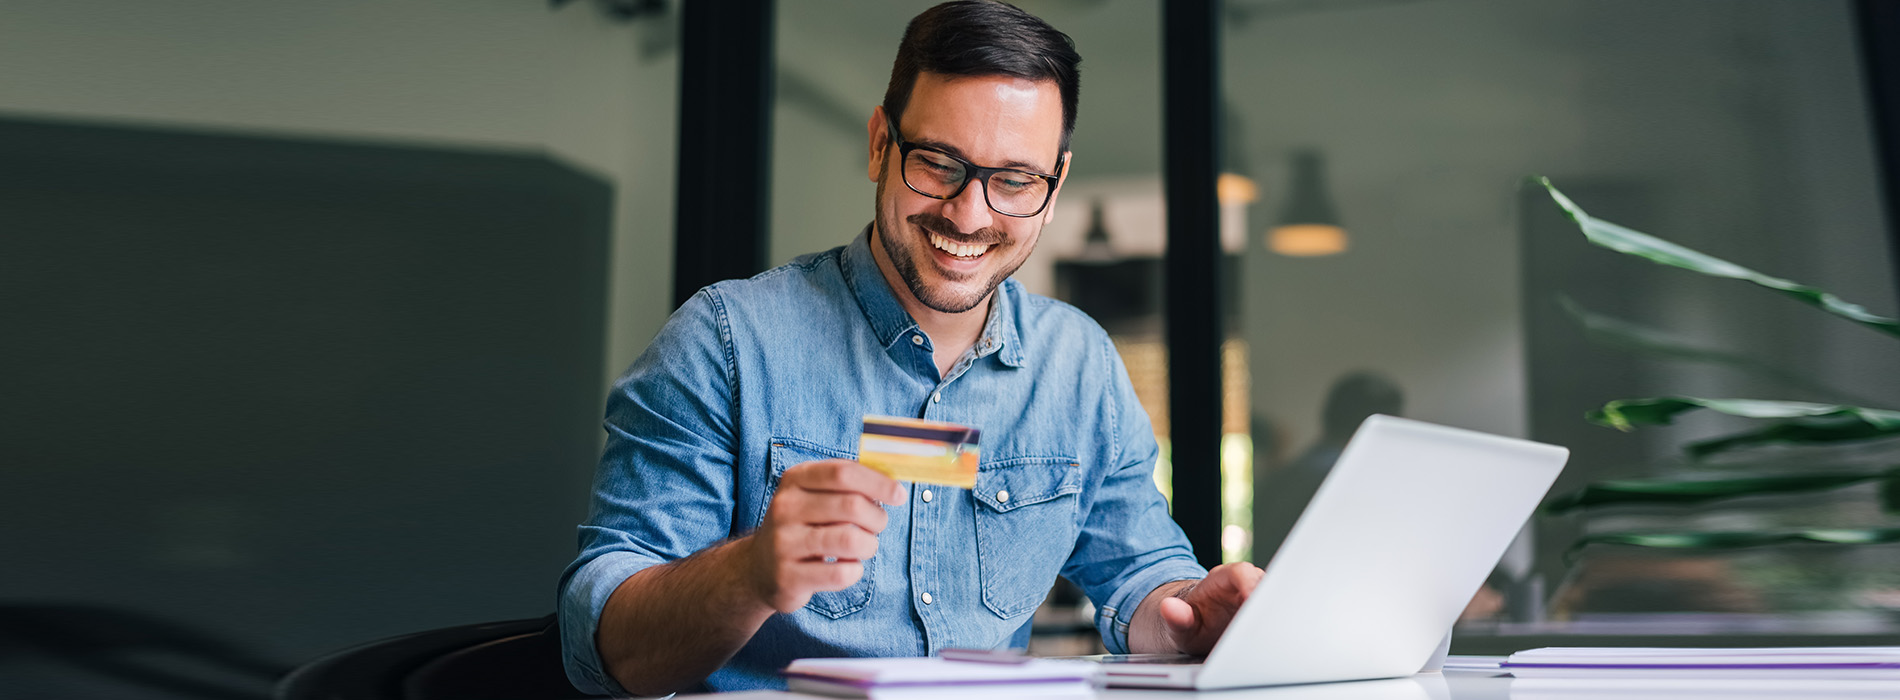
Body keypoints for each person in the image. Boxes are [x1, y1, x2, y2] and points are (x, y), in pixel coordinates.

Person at [557, 2, 1261, 695]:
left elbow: (1140, 570)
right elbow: (605, 645)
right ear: (878, 145)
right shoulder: (724, 343)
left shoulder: (1079, 364)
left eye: (1014, 180)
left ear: (1053, 188)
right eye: (938, 163)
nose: (969, 213)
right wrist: (748, 574)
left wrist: (1185, 619)